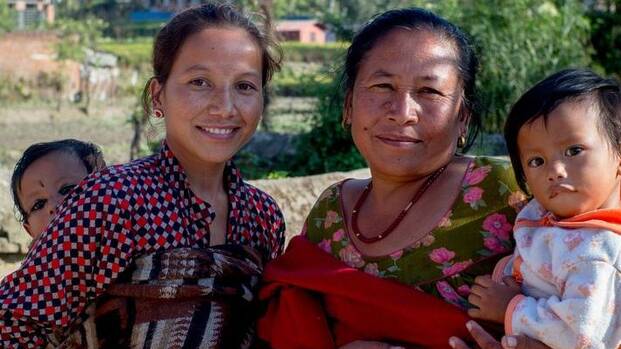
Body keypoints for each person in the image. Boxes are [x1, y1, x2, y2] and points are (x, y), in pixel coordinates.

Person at [258, 7, 550, 349]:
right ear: (349, 105)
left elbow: (593, 300)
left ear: (463, 119)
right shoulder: (330, 213)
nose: (402, 113)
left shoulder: (504, 191)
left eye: (429, 92)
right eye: (382, 86)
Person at [0, 3, 285, 348]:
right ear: (157, 96)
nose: (224, 106)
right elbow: (14, 320)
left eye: (244, 86)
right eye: (199, 82)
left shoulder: (263, 217)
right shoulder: (115, 200)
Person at [468, 69, 621, 349]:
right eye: (537, 161)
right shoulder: (549, 213)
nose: (555, 171)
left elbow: (579, 337)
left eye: (574, 151)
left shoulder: (599, 252)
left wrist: (509, 307)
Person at [10, 139, 106, 241]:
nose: (54, 205)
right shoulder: (43, 257)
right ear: (30, 230)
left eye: (67, 189)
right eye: (38, 204)